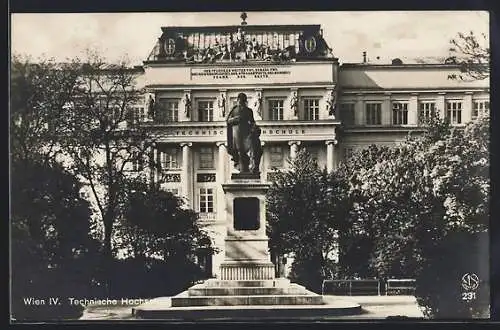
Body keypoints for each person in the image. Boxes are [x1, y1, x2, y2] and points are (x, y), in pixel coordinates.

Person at [226, 93, 262, 174]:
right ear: (238, 100)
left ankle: (252, 167)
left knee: (254, 147)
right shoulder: (234, 110)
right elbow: (228, 121)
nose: (241, 102)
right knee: (240, 151)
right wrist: (236, 119)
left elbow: (252, 122)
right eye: (240, 100)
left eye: (243, 100)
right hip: (237, 133)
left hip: (247, 132)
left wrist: (255, 128)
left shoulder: (249, 110)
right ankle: (243, 169)